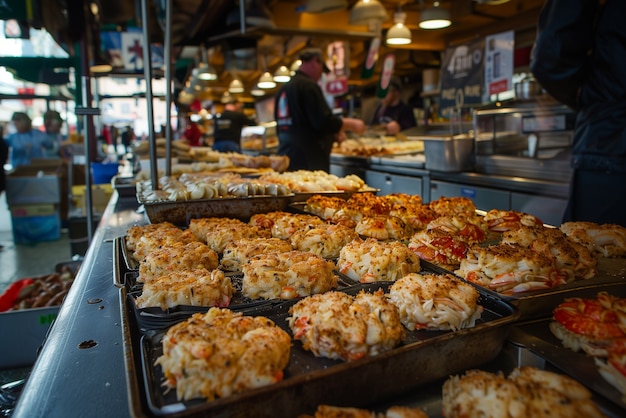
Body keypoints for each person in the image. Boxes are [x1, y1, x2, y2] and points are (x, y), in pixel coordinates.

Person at [530, 0, 626, 227]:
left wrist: (593, 100)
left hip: (611, 140)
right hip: (611, 137)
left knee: (588, 254)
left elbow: (552, 53)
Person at [275, 47, 365, 171]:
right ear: (315, 61)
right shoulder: (308, 86)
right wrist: (351, 124)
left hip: (286, 155)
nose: (321, 74)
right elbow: (323, 121)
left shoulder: (283, 89)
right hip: (307, 160)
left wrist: (333, 134)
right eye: (322, 69)